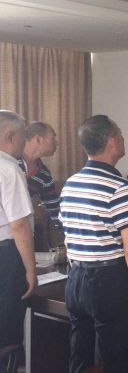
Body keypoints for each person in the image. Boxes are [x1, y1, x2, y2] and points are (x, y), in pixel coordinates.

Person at [59, 115, 128, 373]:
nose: (123, 139)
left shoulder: (70, 184)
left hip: (76, 279)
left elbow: (68, 235)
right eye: (120, 134)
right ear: (112, 142)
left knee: (80, 356)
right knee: (115, 360)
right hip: (109, 282)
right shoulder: (119, 187)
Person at [0, 111, 36, 369]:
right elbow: (19, 225)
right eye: (24, 134)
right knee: (7, 330)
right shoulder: (9, 170)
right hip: (6, 255)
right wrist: (31, 270)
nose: (26, 140)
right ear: (10, 137)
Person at [19, 121, 60, 225]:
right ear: (38, 139)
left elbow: (55, 210)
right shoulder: (9, 162)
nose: (57, 143)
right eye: (53, 138)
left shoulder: (44, 175)